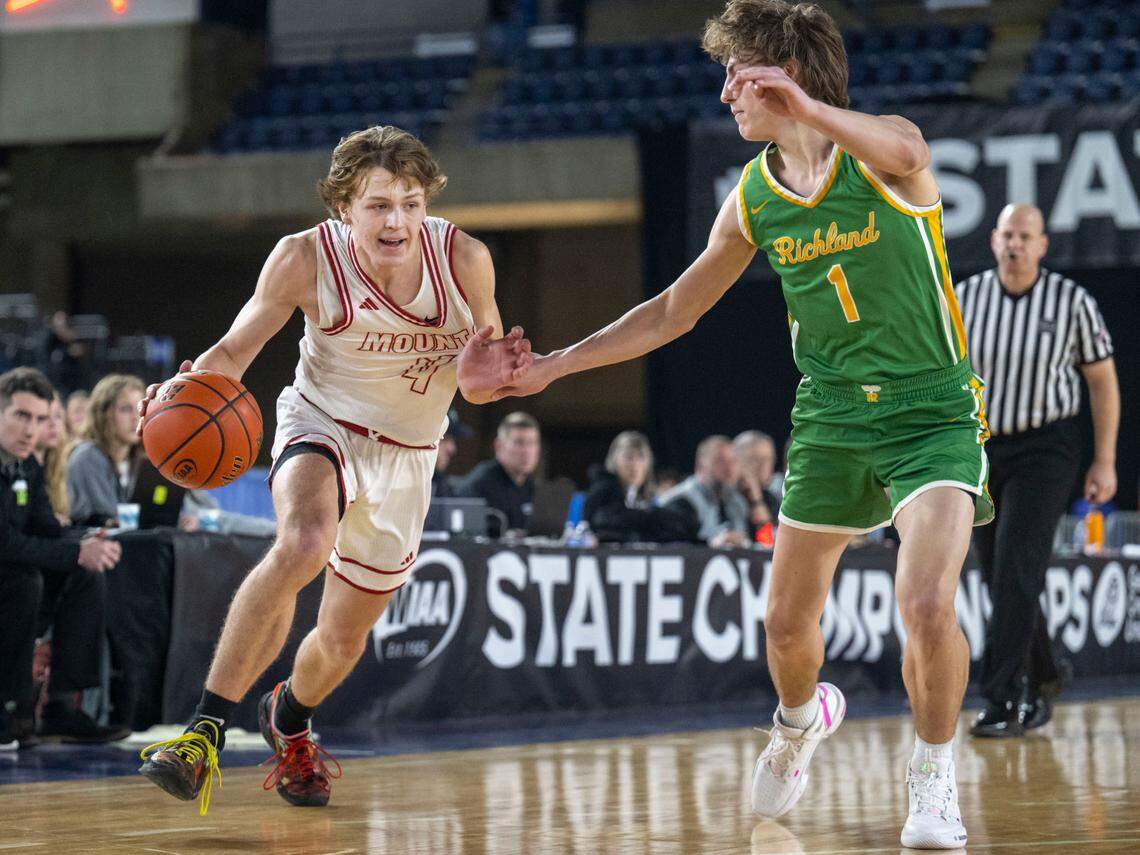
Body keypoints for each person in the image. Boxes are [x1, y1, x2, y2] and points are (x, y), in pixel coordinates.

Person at [490, 1, 991, 847]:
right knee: (787, 626)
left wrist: (810, 109)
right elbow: (672, 311)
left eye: (738, 74)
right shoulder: (755, 194)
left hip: (931, 408)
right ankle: (801, 720)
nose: (725, 92)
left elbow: (910, 149)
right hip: (831, 418)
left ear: (783, 76)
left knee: (926, 600)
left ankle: (934, 774)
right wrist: (553, 365)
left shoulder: (884, 153)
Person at [135, 125, 530, 814]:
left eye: (410, 203)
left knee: (343, 639)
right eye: (379, 205)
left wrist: (490, 376)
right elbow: (235, 349)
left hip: (409, 455)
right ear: (342, 208)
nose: (397, 221)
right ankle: (204, 730)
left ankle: (288, 716)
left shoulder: (465, 258)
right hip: (324, 425)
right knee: (304, 542)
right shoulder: (301, 259)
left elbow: (479, 380)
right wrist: (179, 392)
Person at [956, 203, 1118, 737]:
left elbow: (1102, 382)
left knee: (1015, 569)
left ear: (1043, 244)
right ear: (994, 239)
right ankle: (1046, 673)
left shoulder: (1071, 301)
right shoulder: (966, 296)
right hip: (981, 447)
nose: (1015, 245)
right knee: (999, 574)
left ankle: (1007, 698)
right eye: (1007, 234)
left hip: (1047, 447)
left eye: (1026, 236)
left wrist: (1104, 459)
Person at [0, 367, 125, 748]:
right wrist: (76, 552)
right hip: (8, 570)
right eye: (21, 416)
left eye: (40, 419)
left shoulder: (27, 465)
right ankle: (11, 707)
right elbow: (7, 544)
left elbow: (43, 529)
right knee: (27, 580)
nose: (31, 430)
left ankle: (61, 707)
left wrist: (87, 540)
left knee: (87, 575)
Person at [584, 430, 695, 543]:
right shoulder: (603, 489)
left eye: (641, 457)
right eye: (629, 457)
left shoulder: (643, 496)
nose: (635, 465)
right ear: (614, 460)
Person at [65, 374, 146, 527]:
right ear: (103, 413)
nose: (136, 417)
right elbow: (109, 518)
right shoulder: (87, 457)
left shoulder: (141, 460)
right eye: (126, 409)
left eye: (140, 408)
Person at [456, 411, 540, 536]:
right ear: (499, 446)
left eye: (532, 443)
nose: (526, 451)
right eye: (519, 442)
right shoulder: (479, 484)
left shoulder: (533, 487)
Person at [658, 435, 751, 548]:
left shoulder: (738, 501)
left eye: (733, 461)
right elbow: (672, 549)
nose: (729, 468)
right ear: (700, 465)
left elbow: (758, 541)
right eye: (720, 461)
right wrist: (711, 545)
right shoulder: (681, 501)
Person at [33, 392, 70, 525]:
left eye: (58, 416)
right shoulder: (16, 468)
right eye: (44, 417)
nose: (53, 423)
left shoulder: (58, 464)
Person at [734, 429, 782, 532]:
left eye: (768, 459)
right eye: (755, 459)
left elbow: (767, 542)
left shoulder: (770, 498)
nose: (763, 466)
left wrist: (757, 502)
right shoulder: (725, 495)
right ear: (736, 461)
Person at [431, 407, 472, 499]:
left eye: (453, 440)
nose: (452, 449)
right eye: (444, 438)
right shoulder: (402, 478)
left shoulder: (440, 481)